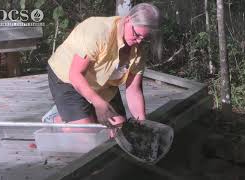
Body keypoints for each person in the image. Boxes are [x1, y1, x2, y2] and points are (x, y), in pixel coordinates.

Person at [45, 3, 162, 131]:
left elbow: (133, 90)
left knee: (120, 131)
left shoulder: (138, 50)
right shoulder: (98, 31)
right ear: (128, 20)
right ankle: (57, 117)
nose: (139, 41)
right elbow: (75, 74)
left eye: (143, 38)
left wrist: (143, 124)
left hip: (102, 83)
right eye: (137, 34)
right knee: (84, 134)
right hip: (67, 78)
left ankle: (87, 113)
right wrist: (98, 103)